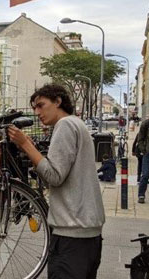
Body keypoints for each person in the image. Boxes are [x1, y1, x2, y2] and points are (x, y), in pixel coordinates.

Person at [8, 84, 105, 279]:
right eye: (34, 107)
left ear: (58, 101)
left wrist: (25, 144)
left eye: (41, 105)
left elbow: (54, 176)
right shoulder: (77, 123)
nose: (37, 112)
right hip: (88, 234)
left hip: (71, 235)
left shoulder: (65, 125)